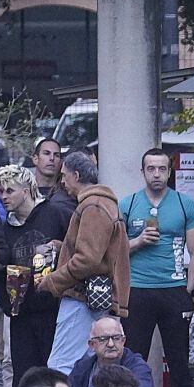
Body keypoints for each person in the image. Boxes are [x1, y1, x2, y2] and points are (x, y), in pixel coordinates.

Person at [120, 146, 194, 387]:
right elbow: (115, 250)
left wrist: (188, 289)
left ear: (169, 172)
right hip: (138, 290)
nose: (156, 174)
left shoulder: (185, 204)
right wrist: (138, 241)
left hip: (174, 289)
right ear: (143, 172)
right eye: (151, 169)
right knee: (133, 360)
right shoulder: (128, 203)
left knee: (179, 362)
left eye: (162, 169)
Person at [41, 152, 127, 373]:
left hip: (82, 298)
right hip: (95, 297)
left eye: (64, 175)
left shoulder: (93, 205)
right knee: (93, 367)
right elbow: (99, 253)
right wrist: (63, 248)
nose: (62, 181)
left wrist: (53, 280)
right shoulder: (101, 203)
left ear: (76, 175)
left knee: (61, 366)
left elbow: (88, 259)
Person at [0, 163, 71, 387]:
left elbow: (78, 250)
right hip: (22, 315)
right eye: (1, 191)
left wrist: (58, 248)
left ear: (26, 191)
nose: (4, 197)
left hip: (56, 311)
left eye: (10, 191)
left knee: (56, 376)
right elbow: (0, 270)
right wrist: (7, 305)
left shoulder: (56, 214)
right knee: (26, 379)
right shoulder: (5, 229)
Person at [67, 314, 153, 387]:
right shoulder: (81, 368)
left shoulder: (138, 367)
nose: (111, 344)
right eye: (103, 339)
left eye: (116, 338)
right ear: (92, 345)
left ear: (123, 341)